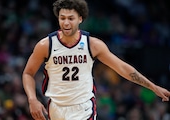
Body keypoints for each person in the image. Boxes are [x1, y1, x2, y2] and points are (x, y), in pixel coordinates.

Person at [22, 0, 170, 120]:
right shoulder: (45, 45)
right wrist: (32, 100)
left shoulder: (92, 44)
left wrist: (153, 87)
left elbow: (122, 68)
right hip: (56, 108)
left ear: (80, 18)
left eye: (71, 18)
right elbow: (28, 73)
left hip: (83, 108)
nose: (66, 23)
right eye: (62, 18)